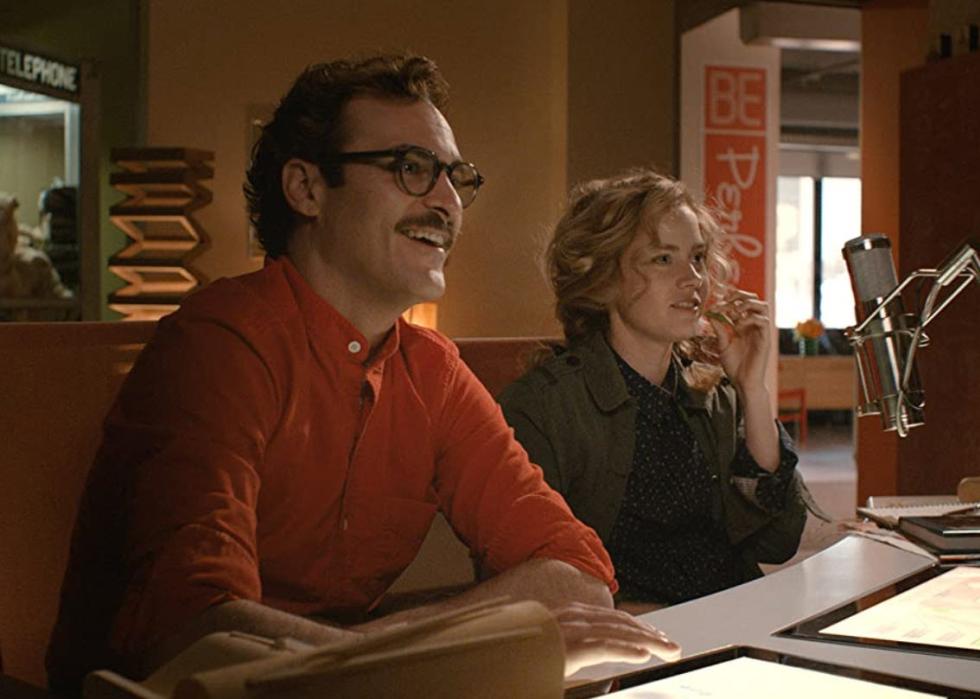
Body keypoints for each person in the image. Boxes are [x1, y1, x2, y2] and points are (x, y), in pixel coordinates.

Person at [45, 55, 680, 694]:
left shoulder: (431, 370)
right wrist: (448, 647)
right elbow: (198, 632)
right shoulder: (221, 342)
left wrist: (377, 653)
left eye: (455, 177)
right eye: (411, 168)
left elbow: (578, 575)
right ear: (306, 189)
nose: (447, 202)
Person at [498, 168, 814, 612]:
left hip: (732, 623)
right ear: (604, 279)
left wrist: (753, 391)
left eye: (698, 257)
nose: (694, 279)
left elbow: (778, 541)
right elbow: (534, 585)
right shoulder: (543, 406)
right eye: (663, 259)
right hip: (631, 640)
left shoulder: (712, 393)